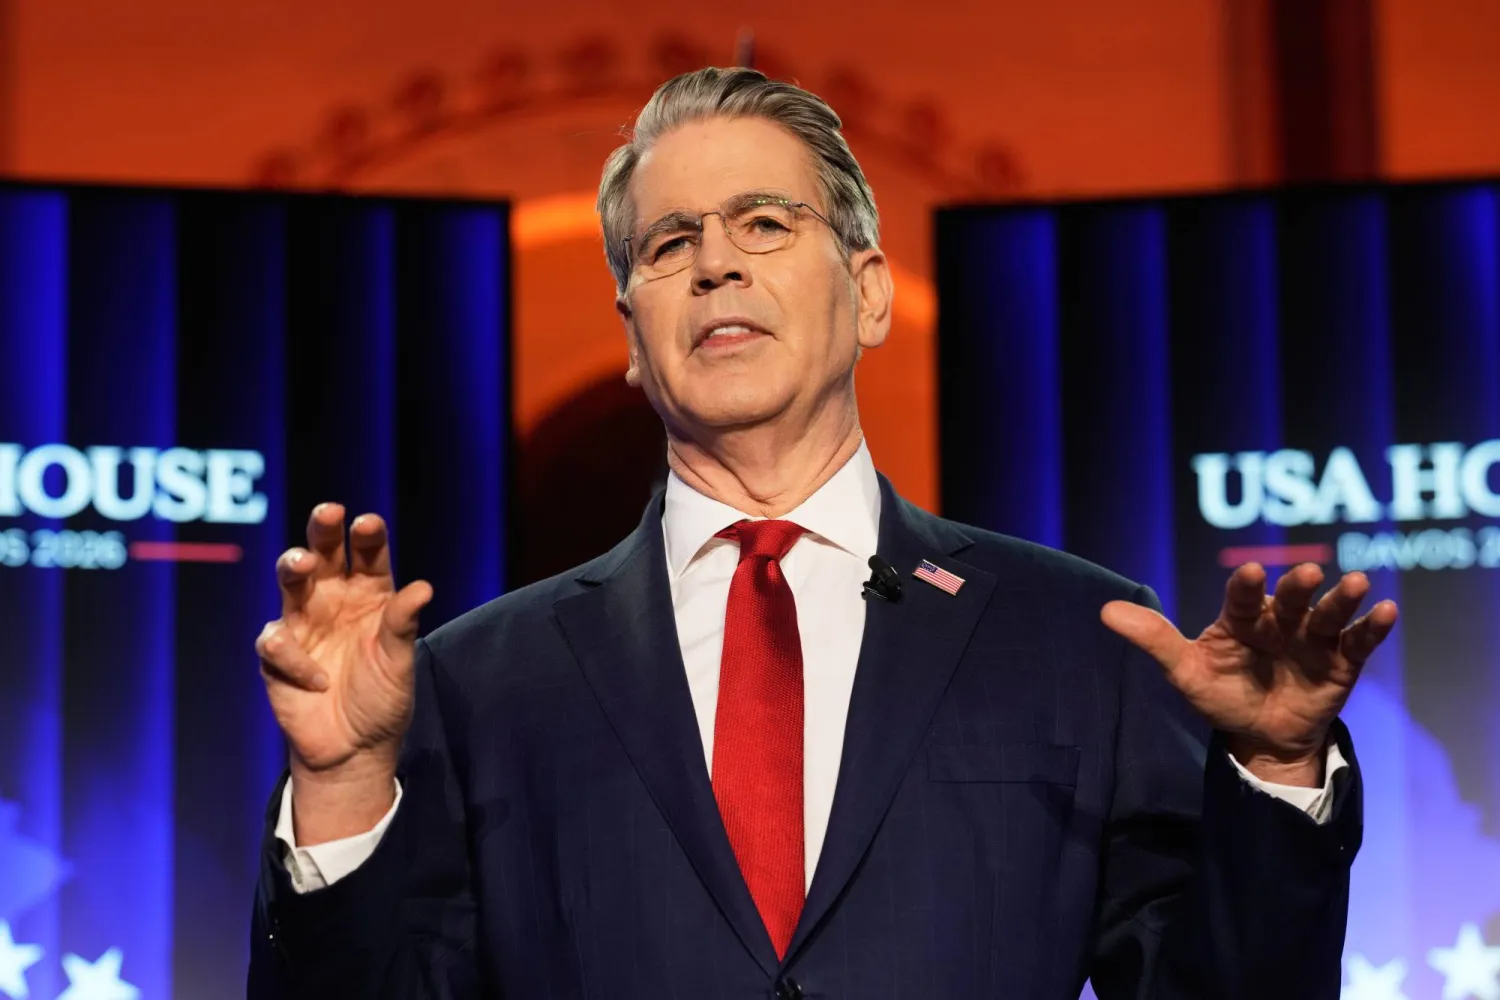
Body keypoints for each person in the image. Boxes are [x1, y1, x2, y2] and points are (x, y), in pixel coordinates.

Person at [247, 67, 1397, 1000]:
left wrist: (1274, 773)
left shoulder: (1076, 636)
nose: (716, 263)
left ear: (872, 293)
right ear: (635, 336)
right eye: (669, 244)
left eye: (763, 222)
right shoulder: (478, 682)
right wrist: (339, 788)